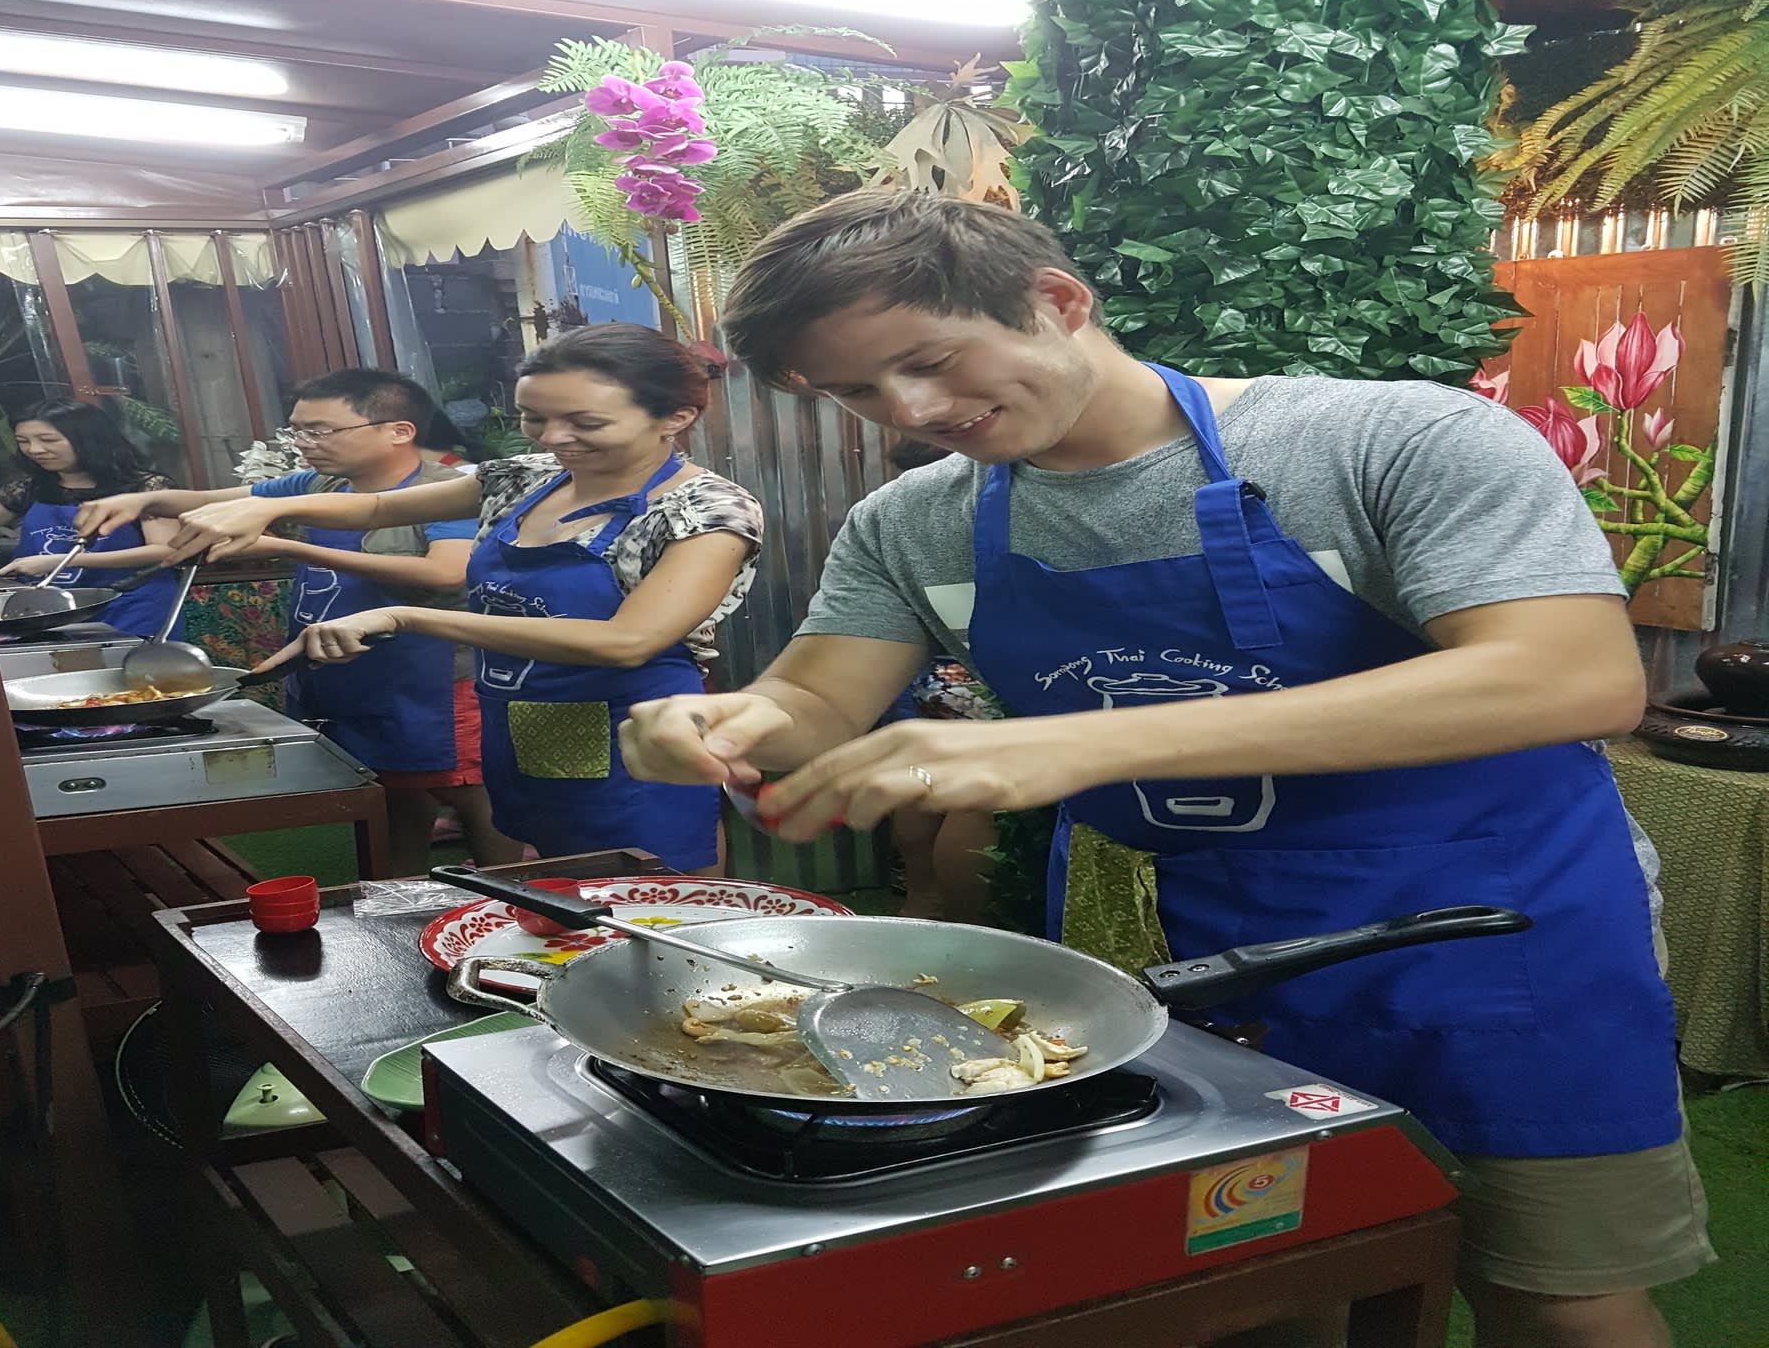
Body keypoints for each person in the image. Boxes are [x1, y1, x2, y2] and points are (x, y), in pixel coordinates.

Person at [618, 191, 1709, 1348]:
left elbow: (1568, 675)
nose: (913, 411)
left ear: (1055, 301)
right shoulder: (913, 522)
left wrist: (1075, 741)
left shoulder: (1389, 441)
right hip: (1171, 961)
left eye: (928, 362)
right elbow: (813, 704)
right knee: (1251, 1284)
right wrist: (714, 721)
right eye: (855, 392)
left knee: (1558, 1298)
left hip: (1482, 943)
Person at [110, 324, 763, 874]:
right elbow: (374, 506)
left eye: (585, 422)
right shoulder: (524, 478)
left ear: (676, 417)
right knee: (561, 883)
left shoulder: (704, 510)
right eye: (534, 417)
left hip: (640, 730)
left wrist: (406, 615)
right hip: (522, 718)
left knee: (656, 895)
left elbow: (629, 641)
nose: (552, 438)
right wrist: (262, 508)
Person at [76, 369, 515, 876]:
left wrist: (290, 546)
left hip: (435, 676)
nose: (305, 442)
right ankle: (400, 894)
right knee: (390, 786)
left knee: (469, 791)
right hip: (347, 666)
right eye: (298, 430)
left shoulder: (445, 489)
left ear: (398, 430)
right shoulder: (318, 485)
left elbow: (445, 572)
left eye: (321, 430)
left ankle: (515, 891)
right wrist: (141, 500)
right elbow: (215, 500)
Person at [881, 438, 999, 923]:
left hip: (926, 680)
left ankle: (920, 897)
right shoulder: (989, 512)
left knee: (920, 782)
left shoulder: (900, 520)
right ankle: (972, 923)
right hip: (980, 681)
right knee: (977, 802)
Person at [0, 399, 183, 637]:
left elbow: (165, 550)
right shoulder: (28, 489)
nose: (34, 450)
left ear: (88, 439)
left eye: (48, 440)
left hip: (134, 606)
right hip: (51, 611)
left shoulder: (146, 487)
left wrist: (63, 561)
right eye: (23, 441)